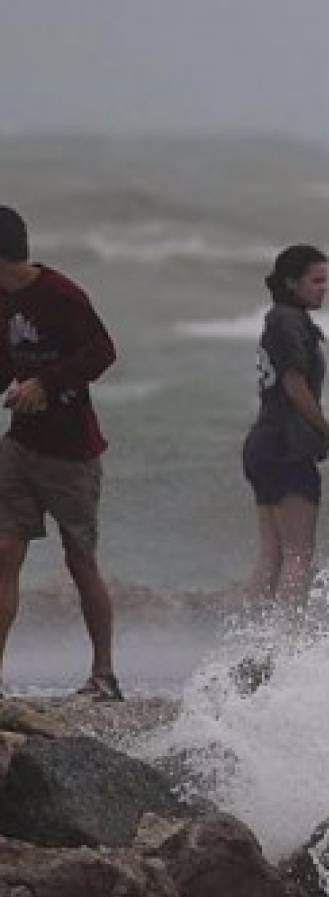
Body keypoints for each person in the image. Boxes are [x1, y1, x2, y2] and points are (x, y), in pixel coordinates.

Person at [0, 206, 121, 700]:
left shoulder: (59, 295)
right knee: (5, 553)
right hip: (20, 447)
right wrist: (17, 387)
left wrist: (45, 383)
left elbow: (102, 352)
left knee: (80, 561)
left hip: (72, 454)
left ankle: (104, 675)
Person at [244, 245, 329, 603]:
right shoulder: (290, 320)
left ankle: (252, 636)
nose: (323, 288)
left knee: (272, 553)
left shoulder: (276, 318)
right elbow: (293, 382)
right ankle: (283, 642)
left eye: (325, 281)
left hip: (264, 442)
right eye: (316, 281)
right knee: (298, 554)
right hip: (286, 444)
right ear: (291, 283)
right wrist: (322, 428)